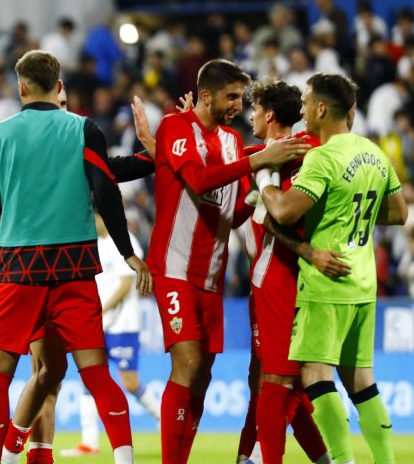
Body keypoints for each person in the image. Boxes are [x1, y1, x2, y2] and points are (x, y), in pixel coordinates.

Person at [0, 50, 150, 464]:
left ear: (20, 86)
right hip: (73, 267)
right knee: (95, 373)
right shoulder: (83, 129)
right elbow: (105, 186)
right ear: (58, 85)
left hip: (18, 269)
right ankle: (124, 460)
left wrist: (20, 189)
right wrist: (127, 253)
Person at [146, 59, 307, 464]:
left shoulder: (234, 142)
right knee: (188, 360)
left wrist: (256, 196)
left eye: (241, 97)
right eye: (231, 96)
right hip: (174, 268)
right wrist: (259, 160)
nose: (238, 104)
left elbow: (230, 212)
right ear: (205, 95)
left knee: (202, 375)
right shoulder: (175, 127)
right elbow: (198, 180)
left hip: (212, 277)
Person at [261, 73, 407, 464]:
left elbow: (284, 210)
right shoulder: (374, 152)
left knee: (315, 374)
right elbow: (397, 213)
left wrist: (264, 178)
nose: (304, 110)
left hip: (326, 281)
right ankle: (386, 461)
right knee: (361, 379)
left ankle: (343, 461)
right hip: (363, 280)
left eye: (307, 103)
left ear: (323, 109)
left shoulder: (322, 158)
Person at [234, 79, 328, 464]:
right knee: (273, 380)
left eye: (254, 109)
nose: (250, 116)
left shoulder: (297, 154)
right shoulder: (259, 155)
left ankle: (257, 458)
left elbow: (274, 214)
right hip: (276, 282)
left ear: (269, 114)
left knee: (278, 382)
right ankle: (253, 456)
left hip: (281, 276)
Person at [61, 214, 159, 457]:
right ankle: (89, 442)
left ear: (104, 217)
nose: (92, 223)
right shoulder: (96, 244)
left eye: (94, 218)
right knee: (88, 379)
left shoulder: (126, 242)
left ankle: (163, 419)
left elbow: (127, 284)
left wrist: (101, 309)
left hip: (122, 325)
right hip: (99, 325)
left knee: (129, 382)